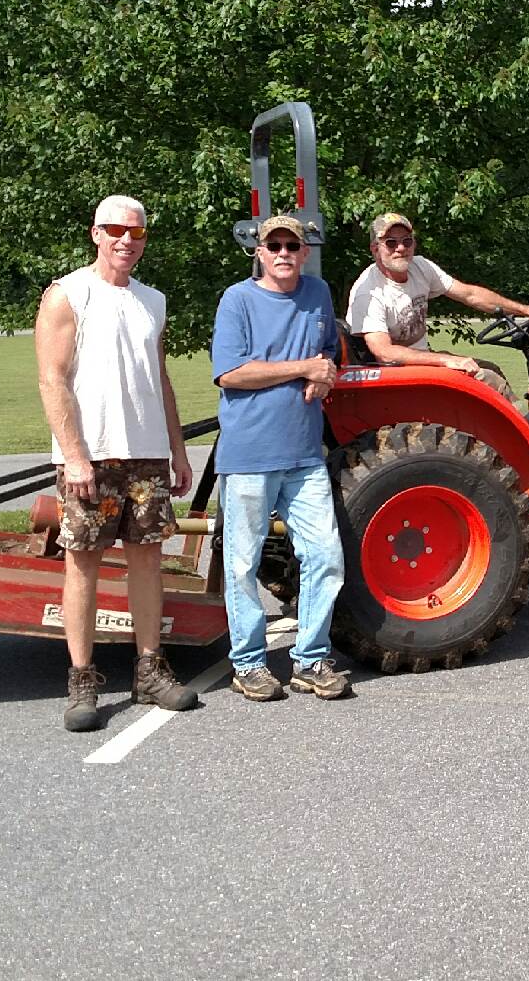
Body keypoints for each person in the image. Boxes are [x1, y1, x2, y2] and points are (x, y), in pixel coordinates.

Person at [35, 194, 200, 732]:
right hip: (91, 457)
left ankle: (150, 670)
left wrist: (177, 449)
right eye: (115, 230)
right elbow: (52, 379)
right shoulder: (67, 294)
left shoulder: (153, 301)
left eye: (137, 232)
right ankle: (82, 680)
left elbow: (159, 378)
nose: (126, 240)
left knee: (147, 559)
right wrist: (75, 456)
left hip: (146, 455)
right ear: (96, 233)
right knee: (82, 563)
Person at [211, 214, 350, 702]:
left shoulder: (318, 293)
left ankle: (310, 658)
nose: (284, 253)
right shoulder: (238, 299)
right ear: (260, 252)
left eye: (293, 245)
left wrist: (324, 375)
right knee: (242, 564)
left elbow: (328, 354)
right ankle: (248, 663)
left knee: (325, 556)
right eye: (275, 246)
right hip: (250, 455)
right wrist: (303, 368)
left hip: (305, 454)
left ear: (305, 252)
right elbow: (231, 373)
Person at [345, 211, 529, 404]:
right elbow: (384, 353)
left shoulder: (420, 267)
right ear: (375, 249)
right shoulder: (369, 292)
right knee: (488, 380)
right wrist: (446, 360)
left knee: (491, 369)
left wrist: (528, 311)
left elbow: (470, 294)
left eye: (406, 241)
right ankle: (526, 431)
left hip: (421, 362)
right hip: (394, 375)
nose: (400, 248)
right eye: (391, 243)